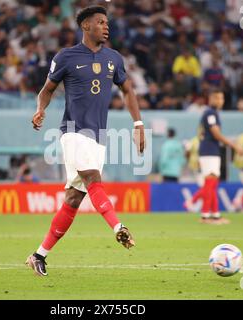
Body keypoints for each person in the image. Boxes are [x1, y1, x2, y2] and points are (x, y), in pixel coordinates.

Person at [26, 5, 145, 276]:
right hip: (73, 131)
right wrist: (40, 109)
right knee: (93, 179)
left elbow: (128, 90)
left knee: (73, 198)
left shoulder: (114, 58)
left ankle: (38, 255)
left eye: (107, 22)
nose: (106, 26)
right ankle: (119, 227)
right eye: (100, 22)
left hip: (99, 137)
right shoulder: (66, 57)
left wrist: (138, 123)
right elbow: (47, 90)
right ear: (86, 26)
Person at [197, 89, 242, 224]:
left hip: (210, 151)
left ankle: (214, 215)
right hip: (209, 151)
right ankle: (206, 215)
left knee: (212, 184)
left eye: (222, 98)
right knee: (210, 183)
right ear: (212, 99)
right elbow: (215, 133)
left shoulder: (211, 113)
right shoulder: (210, 113)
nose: (221, 101)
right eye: (218, 98)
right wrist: (233, 145)